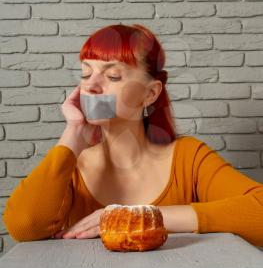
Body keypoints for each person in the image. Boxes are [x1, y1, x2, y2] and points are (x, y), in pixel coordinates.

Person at [3, 24, 263, 246]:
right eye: (86, 73)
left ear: (150, 94)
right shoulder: (68, 166)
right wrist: (72, 135)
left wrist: (146, 217)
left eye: (113, 75)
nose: (91, 86)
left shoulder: (188, 158)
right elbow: (23, 227)